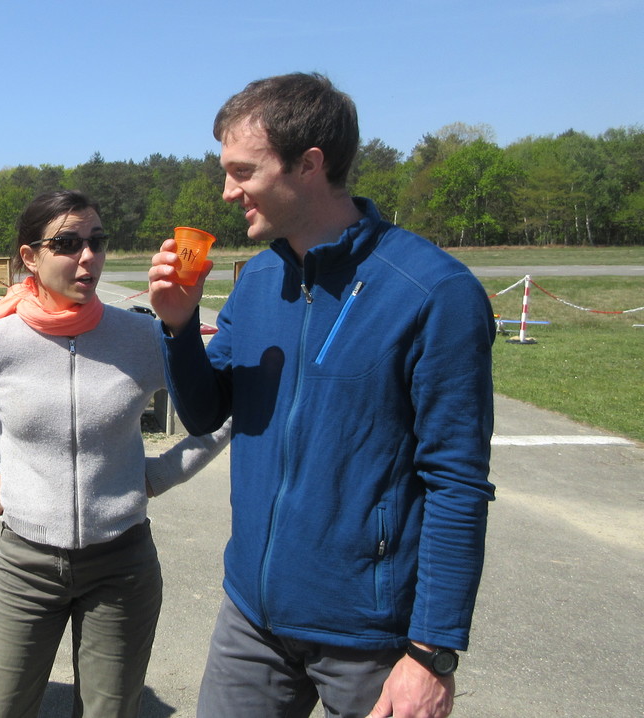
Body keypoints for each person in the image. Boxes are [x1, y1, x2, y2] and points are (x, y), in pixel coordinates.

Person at [148, 73, 495, 718]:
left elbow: (457, 482)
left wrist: (431, 655)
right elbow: (204, 413)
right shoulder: (259, 281)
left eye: (243, 172)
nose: (227, 192)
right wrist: (178, 327)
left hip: (370, 639)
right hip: (252, 619)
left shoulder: (433, 293)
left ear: (309, 165)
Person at [0, 190, 230, 718]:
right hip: (26, 564)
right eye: (67, 244)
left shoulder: (142, 335)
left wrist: (159, 474)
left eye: (97, 242)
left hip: (122, 564)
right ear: (30, 257)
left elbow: (221, 410)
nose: (87, 257)